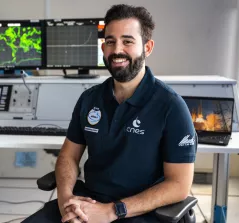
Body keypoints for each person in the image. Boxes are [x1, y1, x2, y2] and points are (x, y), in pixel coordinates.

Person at [22, 4, 196, 223]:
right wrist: (67, 203)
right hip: (89, 202)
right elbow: (68, 156)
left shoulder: (171, 106)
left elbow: (179, 185)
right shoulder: (90, 99)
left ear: (148, 47)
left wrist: (112, 211)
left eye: (128, 41)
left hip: (141, 211)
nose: (117, 50)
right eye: (110, 41)